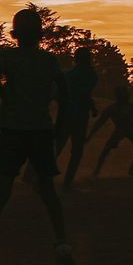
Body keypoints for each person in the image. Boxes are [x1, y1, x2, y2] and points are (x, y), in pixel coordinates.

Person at [0, 7, 73, 265]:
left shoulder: (7, 56)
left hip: (13, 129)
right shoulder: (49, 61)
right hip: (41, 129)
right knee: (48, 189)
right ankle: (62, 243)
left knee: (2, 190)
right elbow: (64, 92)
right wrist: (61, 124)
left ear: (16, 34)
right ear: (39, 35)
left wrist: (6, 96)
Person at [55, 46, 99, 191]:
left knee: (57, 147)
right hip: (79, 116)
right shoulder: (91, 75)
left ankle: (39, 179)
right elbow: (85, 94)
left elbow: (59, 94)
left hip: (66, 114)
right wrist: (92, 108)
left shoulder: (68, 74)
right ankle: (67, 182)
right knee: (77, 151)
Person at [90, 86, 133, 176]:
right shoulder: (113, 108)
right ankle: (97, 170)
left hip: (129, 129)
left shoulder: (129, 106)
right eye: (124, 94)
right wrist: (90, 135)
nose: (126, 96)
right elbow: (99, 122)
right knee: (106, 150)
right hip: (121, 130)